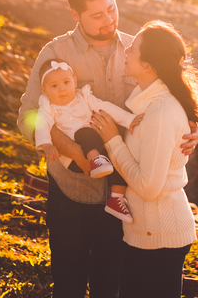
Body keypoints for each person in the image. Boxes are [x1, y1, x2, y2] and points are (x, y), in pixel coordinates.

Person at [17, 0, 198, 298]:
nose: (109, 20)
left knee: (110, 288)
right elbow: (28, 116)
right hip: (71, 192)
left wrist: (194, 124)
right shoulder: (55, 54)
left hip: (123, 200)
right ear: (75, 14)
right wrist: (76, 154)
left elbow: (172, 92)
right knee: (69, 287)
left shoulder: (137, 51)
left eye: (112, 8)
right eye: (97, 15)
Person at [89, 21, 198, 298]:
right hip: (147, 232)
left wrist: (111, 139)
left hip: (161, 234)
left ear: (148, 66)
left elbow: (148, 186)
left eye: (134, 47)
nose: (127, 49)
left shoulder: (161, 111)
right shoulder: (147, 101)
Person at [34, 57, 136, 222]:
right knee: (87, 132)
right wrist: (46, 144)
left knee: (119, 157)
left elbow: (106, 107)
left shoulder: (84, 97)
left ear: (74, 82)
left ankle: (116, 198)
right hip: (76, 159)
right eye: (54, 86)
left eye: (66, 82)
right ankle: (95, 160)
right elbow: (41, 124)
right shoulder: (48, 106)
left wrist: (129, 120)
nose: (62, 89)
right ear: (44, 90)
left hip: (99, 148)